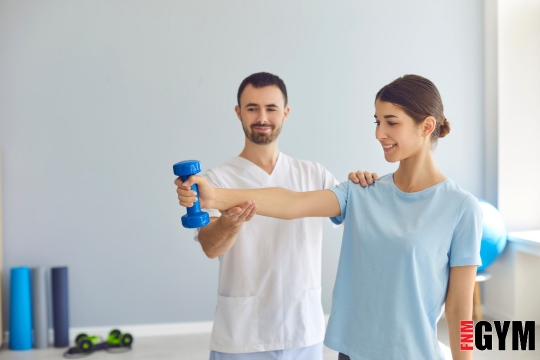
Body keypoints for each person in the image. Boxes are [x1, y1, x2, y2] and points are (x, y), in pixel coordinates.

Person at [177, 74, 482, 360]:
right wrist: (215, 196)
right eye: (377, 122)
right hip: (351, 351)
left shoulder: (461, 207)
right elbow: (292, 203)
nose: (379, 134)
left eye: (391, 122)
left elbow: (460, 310)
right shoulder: (363, 191)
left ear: (427, 126)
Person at [191, 72, 377, 360]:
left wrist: (361, 183)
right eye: (252, 108)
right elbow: (210, 246)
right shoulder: (215, 179)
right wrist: (229, 223)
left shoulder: (314, 174)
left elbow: (356, 216)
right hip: (242, 335)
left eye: (271, 108)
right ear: (238, 112)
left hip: (303, 330)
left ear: (286, 113)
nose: (262, 117)